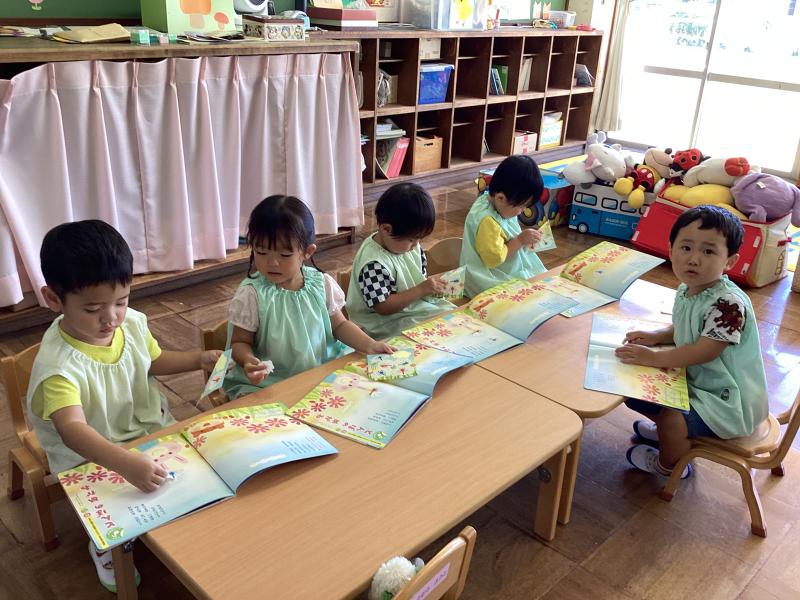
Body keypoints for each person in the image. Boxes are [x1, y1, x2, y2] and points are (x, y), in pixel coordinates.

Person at [27, 220, 221, 592]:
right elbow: (73, 431)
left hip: (148, 430)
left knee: (200, 489)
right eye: (93, 308)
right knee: (119, 511)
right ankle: (104, 546)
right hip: (91, 456)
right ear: (53, 299)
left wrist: (198, 358)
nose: (111, 317)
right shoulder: (57, 367)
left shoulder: (129, 324)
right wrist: (125, 463)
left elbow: (153, 360)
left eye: (122, 301)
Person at [615, 206, 768, 479]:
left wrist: (652, 357)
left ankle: (669, 465)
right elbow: (686, 327)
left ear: (730, 261)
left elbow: (704, 350)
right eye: (686, 248)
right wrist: (658, 336)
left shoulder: (728, 304)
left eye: (708, 251)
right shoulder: (688, 289)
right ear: (671, 249)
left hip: (729, 401)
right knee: (637, 389)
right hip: (704, 384)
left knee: (672, 417)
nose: (694, 259)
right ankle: (671, 434)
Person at [225, 195, 392, 399]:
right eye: (261, 252)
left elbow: (340, 325)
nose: (272, 263)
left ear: (307, 252)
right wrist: (248, 360)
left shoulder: (321, 284)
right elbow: (239, 342)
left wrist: (369, 344)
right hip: (270, 383)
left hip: (322, 372)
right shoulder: (251, 294)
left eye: (284, 255)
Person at [346, 182, 454, 339]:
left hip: (408, 311)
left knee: (452, 317)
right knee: (434, 330)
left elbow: (419, 276)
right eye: (411, 239)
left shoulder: (408, 246)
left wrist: (431, 287)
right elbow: (383, 307)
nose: (416, 245)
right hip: (379, 325)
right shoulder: (373, 263)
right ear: (386, 229)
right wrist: (421, 289)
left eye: (419, 239)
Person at [460, 154, 546, 297]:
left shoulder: (494, 202)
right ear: (500, 197)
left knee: (541, 284)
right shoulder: (487, 220)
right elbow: (494, 259)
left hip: (501, 269)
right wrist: (520, 240)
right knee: (527, 294)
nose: (522, 211)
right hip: (486, 277)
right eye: (521, 206)